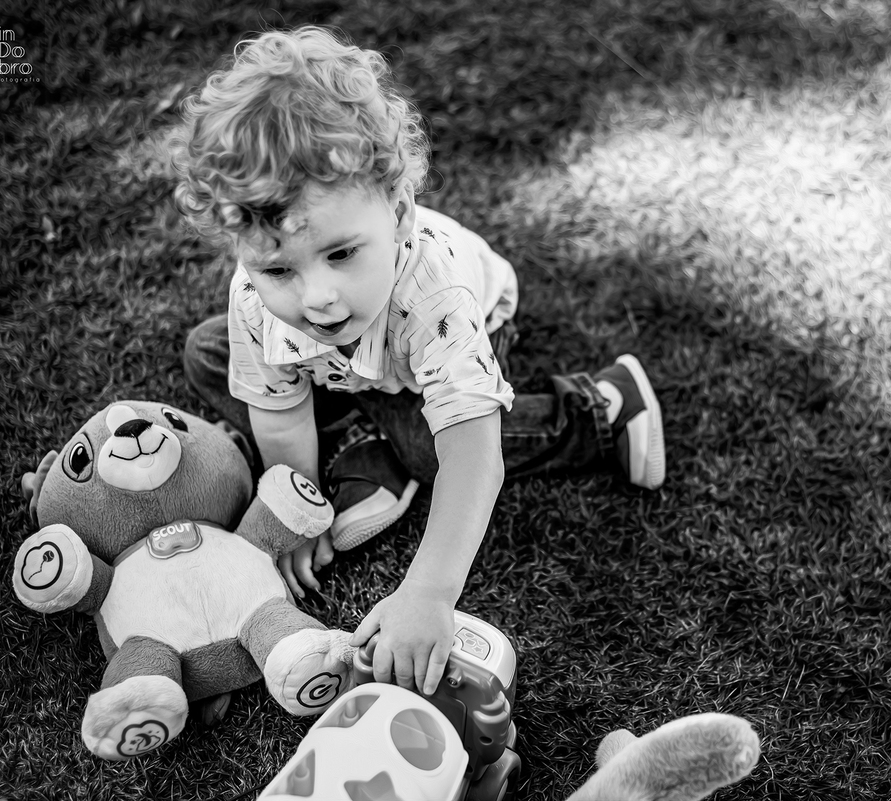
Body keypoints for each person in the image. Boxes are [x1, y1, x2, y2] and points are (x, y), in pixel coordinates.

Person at [173, 25, 664, 697]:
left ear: (399, 211)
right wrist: (299, 505)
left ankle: (601, 410)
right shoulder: (257, 297)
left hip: (458, 332)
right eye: (279, 268)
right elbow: (279, 415)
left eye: (343, 253)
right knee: (209, 351)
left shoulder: (434, 295)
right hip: (354, 364)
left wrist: (428, 591)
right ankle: (363, 451)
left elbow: (474, 459)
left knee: (431, 448)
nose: (317, 297)